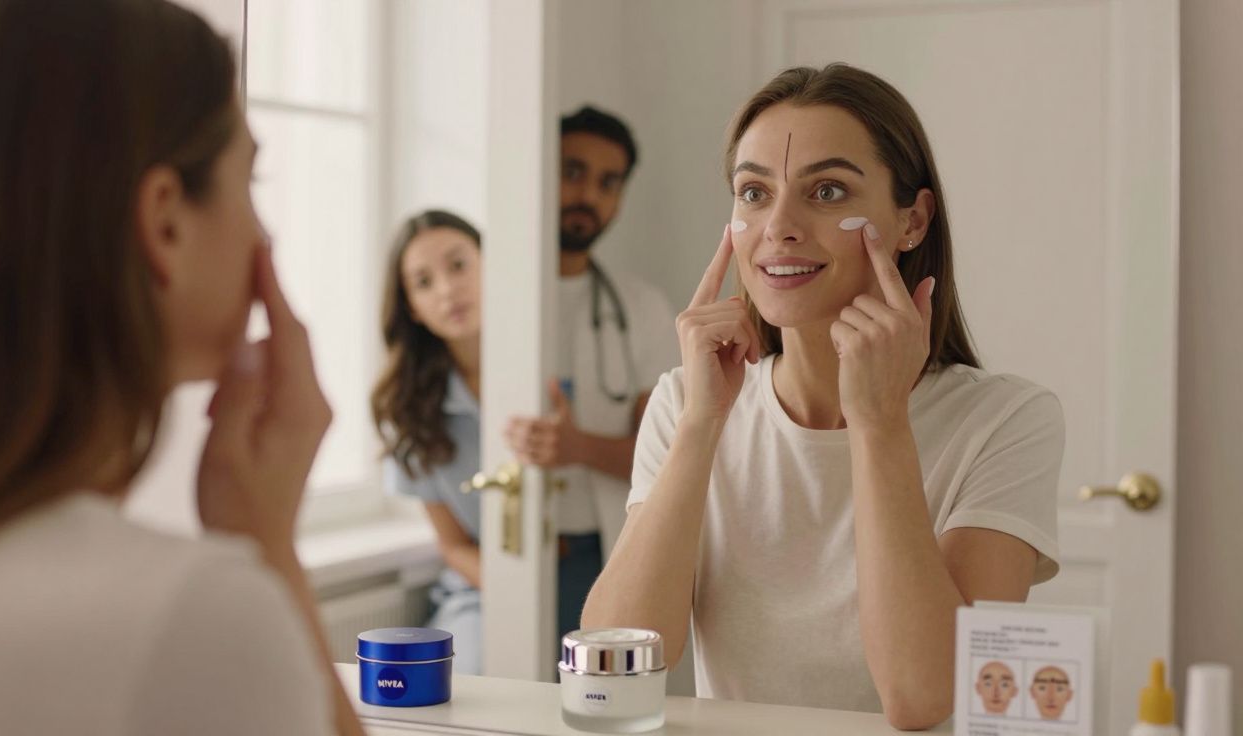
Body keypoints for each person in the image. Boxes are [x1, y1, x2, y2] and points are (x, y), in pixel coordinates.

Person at [582, 64, 1064, 730]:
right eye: (753, 192)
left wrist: (880, 422)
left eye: (827, 190)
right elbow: (616, 657)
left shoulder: (1006, 421)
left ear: (913, 221)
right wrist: (700, 425)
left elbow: (926, 698)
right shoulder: (684, 402)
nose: (778, 225)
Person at [0, 1, 362, 734]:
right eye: (249, 182)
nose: (263, 230)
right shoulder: (194, 620)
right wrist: (269, 549)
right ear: (165, 220)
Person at [504, 106, 678, 641]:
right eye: (572, 171)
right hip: (506, 549)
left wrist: (577, 447)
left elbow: (668, 459)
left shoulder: (644, 308)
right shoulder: (492, 294)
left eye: (609, 182)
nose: (588, 196)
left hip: (599, 552)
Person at [371, 210, 484, 674]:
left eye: (458, 266)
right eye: (423, 282)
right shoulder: (410, 410)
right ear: (411, 307)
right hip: (484, 589)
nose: (447, 291)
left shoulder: (553, 364)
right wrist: (521, 592)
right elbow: (454, 546)